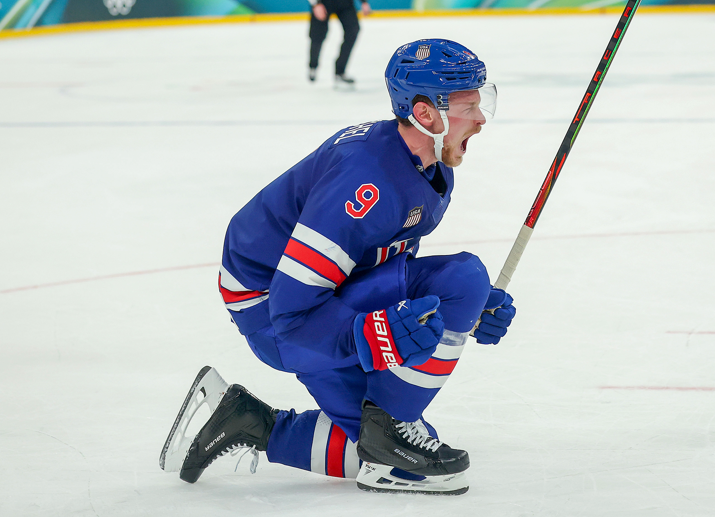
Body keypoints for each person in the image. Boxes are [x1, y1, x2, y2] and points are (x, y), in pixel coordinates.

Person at [158, 39, 517, 496]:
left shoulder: (428, 166)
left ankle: (249, 422)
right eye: (470, 105)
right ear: (427, 115)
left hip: (321, 293)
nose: (482, 118)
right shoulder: (367, 183)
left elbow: (377, 256)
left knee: (465, 287)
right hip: (272, 308)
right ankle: (381, 433)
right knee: (395, 455)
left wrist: (474, 302)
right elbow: (292, 315)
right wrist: (373, 334)